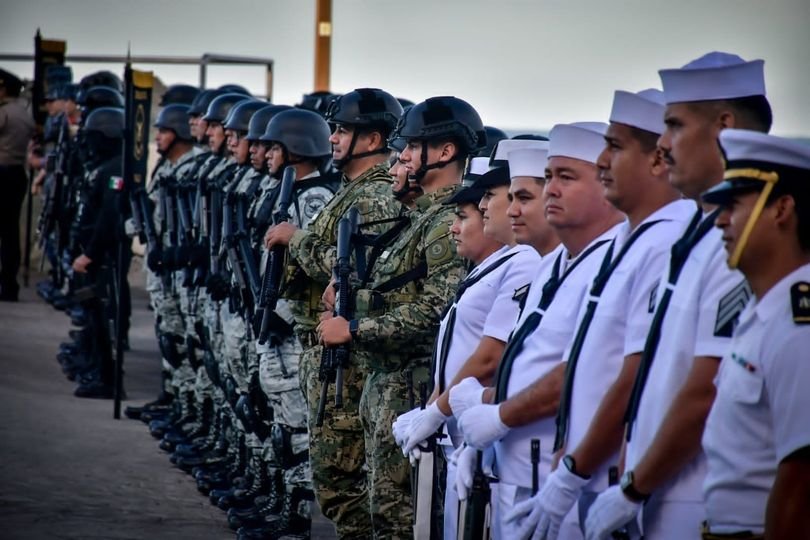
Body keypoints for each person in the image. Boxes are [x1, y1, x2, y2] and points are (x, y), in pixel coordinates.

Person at [585, 52, 773, 540]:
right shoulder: (698, 230)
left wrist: (632, 489)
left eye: (673, 126)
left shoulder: (747, 239)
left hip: (697, 500)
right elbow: (655, 377)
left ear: (725, 126)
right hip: (658, 494)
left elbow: (704, 387)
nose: (662, 145)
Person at [505, 89, 696, 539]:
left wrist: (576, 469)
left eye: (615, 147)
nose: (605, 160)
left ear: (657, 160)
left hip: (630, 482)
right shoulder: (633, 240)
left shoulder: (667, 240)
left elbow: (634, 374)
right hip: (584, 472)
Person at [316, 95, 483, 537]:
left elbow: (435, 311)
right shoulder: (418, 218)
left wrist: (352, 327)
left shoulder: (446, 221)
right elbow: (399, 291)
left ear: (445, 152)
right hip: (384, 381)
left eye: (410, 147)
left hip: (409, 384)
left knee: (402, 520)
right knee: (380, 511)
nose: (401, 157)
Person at [452, 122, 625, 538]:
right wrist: (485, 410)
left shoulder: (611, 260)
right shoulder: (553, 264)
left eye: (565, 178)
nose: (551, 192)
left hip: (563, 472)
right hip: (518, 466)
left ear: (606, 184)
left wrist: (497, 414)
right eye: (548, 179)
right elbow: (529, 362)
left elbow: (589, 371)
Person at [263, 88, 404, 538]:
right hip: (320, 347)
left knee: (346, 487)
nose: (335, 138)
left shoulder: (378, 196)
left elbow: (359, 273)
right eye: (335, 129)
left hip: (349, 363)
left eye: (345, 130)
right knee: (334, 486)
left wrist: (295, 239)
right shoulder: (351, 191)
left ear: (373, 139)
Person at [396, 154, 542, 538]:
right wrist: (432, 409)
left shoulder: (524, 262)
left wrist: (436, 412)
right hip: (463, 430)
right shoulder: (493, 265)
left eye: (482, 203)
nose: (457, 226)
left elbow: (491, 355)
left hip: (489, 433)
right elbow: (457, 347)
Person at [700, 130, 810, 539]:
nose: (722, 219)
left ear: (782, 208)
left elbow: (800, 478)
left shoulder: (799, 325)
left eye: (735, 204)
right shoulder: (762, 311)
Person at [0, 68, 35, 301]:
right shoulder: (24, 113)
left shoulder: (4, 113)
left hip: (1, 173)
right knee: (10, 231)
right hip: (16, 174)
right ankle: (9, 284)